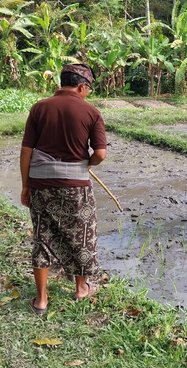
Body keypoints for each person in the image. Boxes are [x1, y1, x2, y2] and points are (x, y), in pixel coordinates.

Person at [20, 63, 107, 314]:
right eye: (88, 89)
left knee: (42, 237)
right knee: (81, 235)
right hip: (76, 186)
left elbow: (26, 151)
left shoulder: (39, 108)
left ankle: (41, 300)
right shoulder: (92, 112)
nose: (88, 93)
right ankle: (81, 289)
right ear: (82, 86)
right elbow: (100, 153)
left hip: (40, 184)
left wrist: (26, 185)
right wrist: (86, 166)